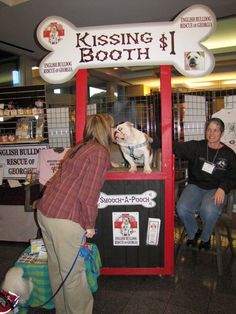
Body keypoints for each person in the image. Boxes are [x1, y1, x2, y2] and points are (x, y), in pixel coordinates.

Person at [36, 113, 114, 314]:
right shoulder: (99, 153)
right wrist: (89, 225)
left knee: (57, 270)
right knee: (73, 276)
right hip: (65, 220)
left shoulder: (79, 147)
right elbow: (88, 195)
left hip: (46, 212)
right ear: (107, 130)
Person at [174, 117, 236, 250]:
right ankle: (194, 232)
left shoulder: (229, 154)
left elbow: (233, 176)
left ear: (222, 133)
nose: (211, 134)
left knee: (208, 210)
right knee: (182, 208)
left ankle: (205, 238)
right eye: (209, 130)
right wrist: (151, 141)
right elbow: (175, 146)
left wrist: (223, 188)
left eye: (215, 130)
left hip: (215, 189)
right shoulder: (197, 147)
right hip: (195, 186)